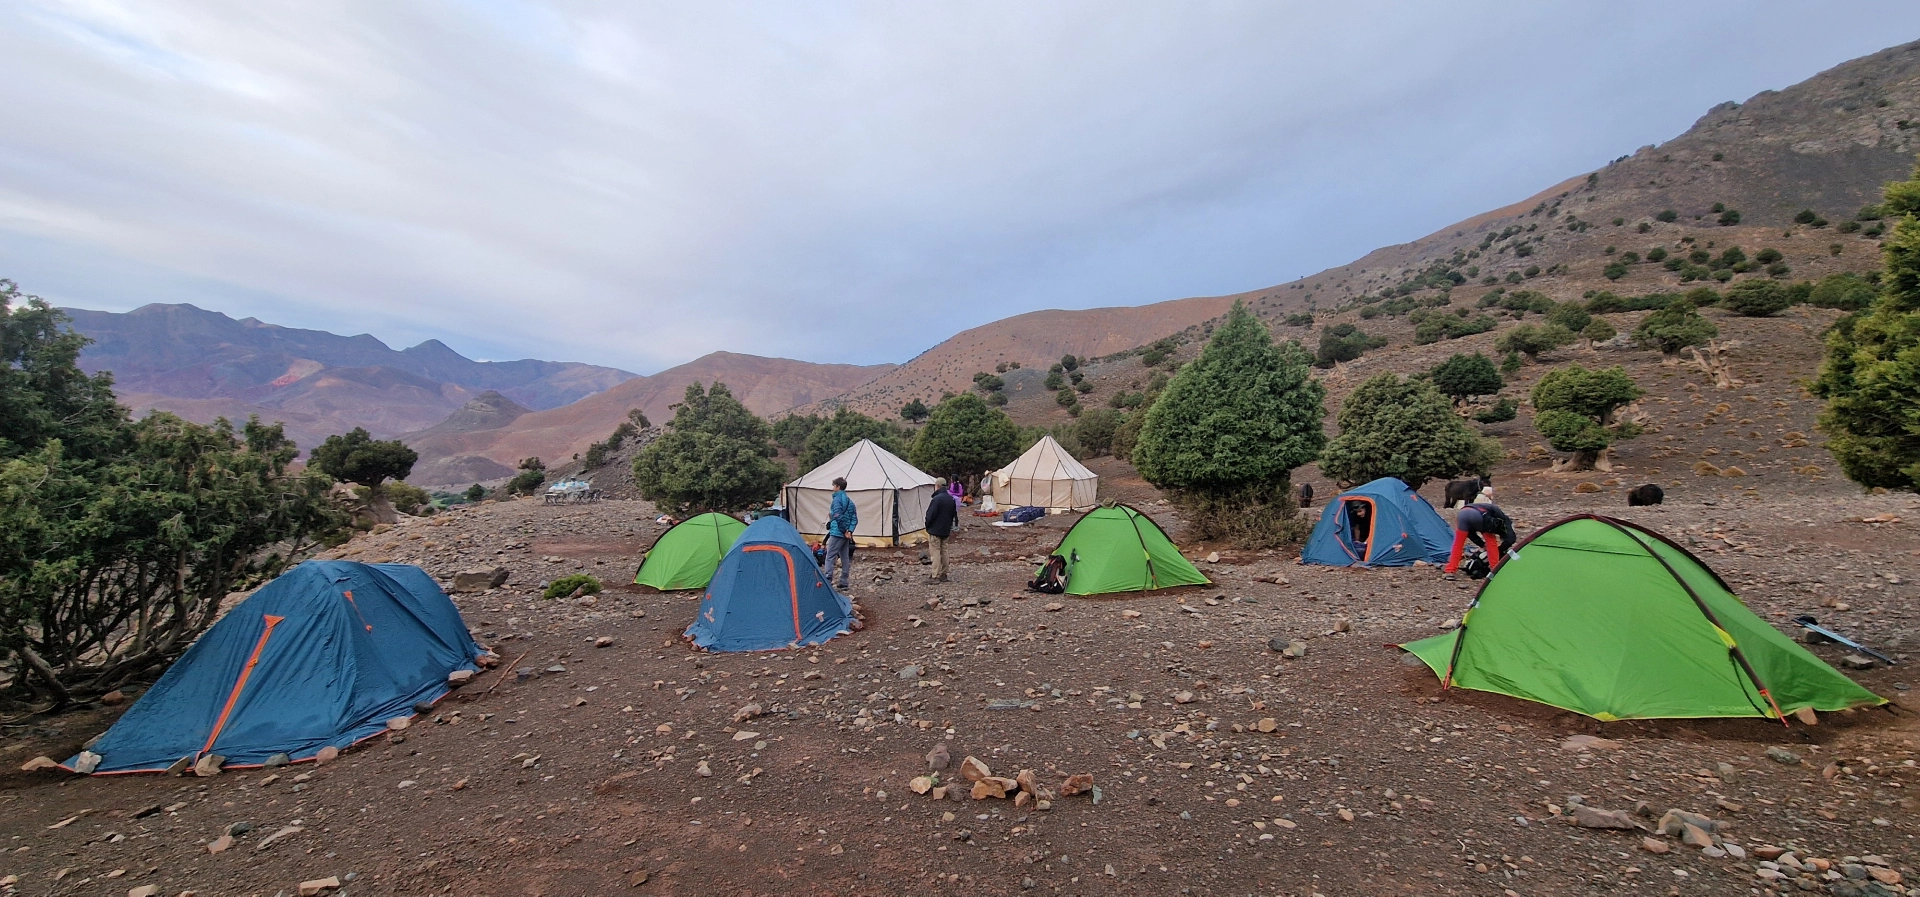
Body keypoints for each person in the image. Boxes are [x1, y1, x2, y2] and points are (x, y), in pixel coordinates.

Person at [1444, 495, 1517, 575]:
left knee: (1458, 545)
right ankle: (1494, 569)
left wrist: (1482, 545)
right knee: (1491, 542)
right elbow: (1507, 532)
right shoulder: (1498, 514)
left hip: (1462, 514)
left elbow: (1471, 535)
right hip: (1478, 515)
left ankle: (1450, 570)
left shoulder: (1488, 508)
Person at [824, 477, 858, 592]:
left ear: (838, 487)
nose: (832, 488)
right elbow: (854, 518)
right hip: (846, 534)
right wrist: (850, 531)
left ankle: (828, 580)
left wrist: (843, 530)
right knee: (845, 557)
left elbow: (838, 516)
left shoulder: (837, 500)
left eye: (833, 486)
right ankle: (844, 581)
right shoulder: (850, 502)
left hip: (837, 532)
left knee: (830, 557)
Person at [925, 477, 958, 583]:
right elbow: (953, 514)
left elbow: (930, 515)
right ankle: (944, 574)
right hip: (946, 529)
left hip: (935, 530)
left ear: (937, 486)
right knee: (944, 551)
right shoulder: (951, 499)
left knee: (935, 552)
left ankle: (935, 575)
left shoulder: (936, 499)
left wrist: (927, 526)